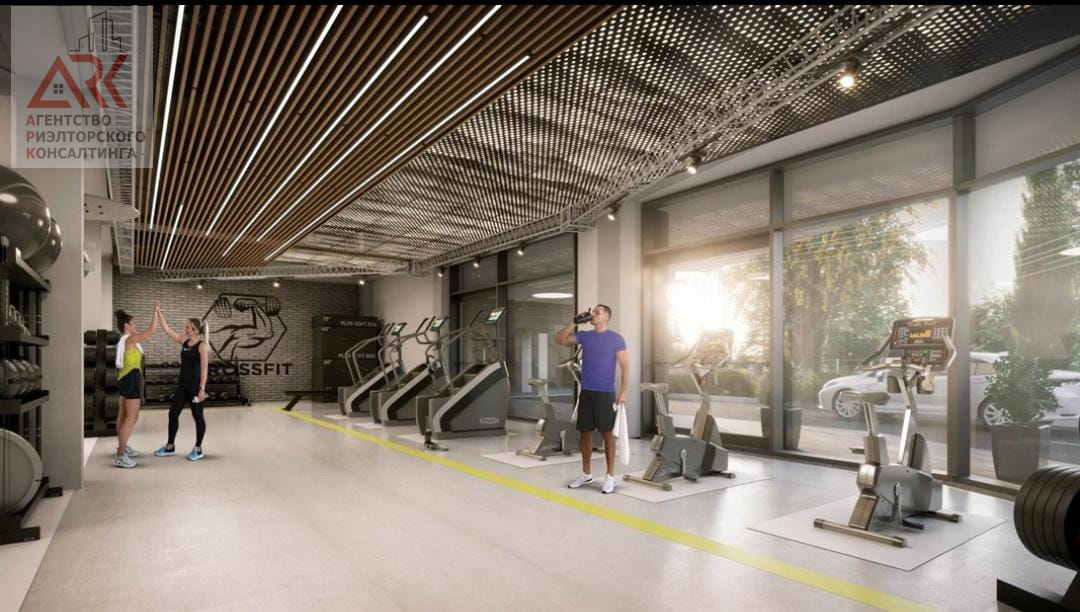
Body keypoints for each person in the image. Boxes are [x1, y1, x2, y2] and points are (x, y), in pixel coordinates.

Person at [556, 304, 629, 494]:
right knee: (585, 435)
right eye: (593, 311)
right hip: (587, 392)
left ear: (606, 317)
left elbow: (625, 367)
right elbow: (560, 339)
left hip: (606, 393)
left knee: (608, 436)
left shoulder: (616, 339)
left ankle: (610, 477)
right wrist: (574, 322)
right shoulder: (585, 336)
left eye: (597, 312)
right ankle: (586, 474)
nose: (593, 314)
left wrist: (623, 392)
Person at [153, 308, 210, 461]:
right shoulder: (184, 341)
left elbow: (204, 368)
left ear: (195, 330)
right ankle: (170, 446)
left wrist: (202, 389)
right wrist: (159, 314)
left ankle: (198, 448)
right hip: (182, 385)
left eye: (188, 327)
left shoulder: (202, 346)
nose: (185, 329)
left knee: (198, 417)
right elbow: (168, 330)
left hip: (195, 387)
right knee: (173, 414)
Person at [113, 306, 158, 468]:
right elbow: (151, 331)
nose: (135, 325)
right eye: (133, 323)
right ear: (126, 326)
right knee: (132, 417)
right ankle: (120, 455)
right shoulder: (130, 339)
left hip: (124, 378)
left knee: (123, 416)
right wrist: (155, 313)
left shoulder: (123, 340)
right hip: (131, 379)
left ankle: (122, 447)